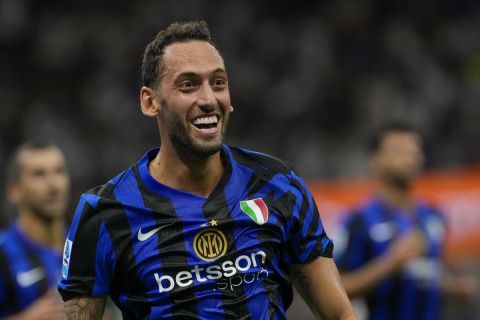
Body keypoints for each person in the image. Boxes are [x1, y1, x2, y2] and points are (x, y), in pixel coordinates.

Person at [58, 20, 356, 319]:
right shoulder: (105, 214)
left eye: (218, 83)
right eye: (188, 85)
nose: (208, 99)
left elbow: (340, 314)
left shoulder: (278, 185)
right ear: (150, 102)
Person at [334, 122, 472, 320]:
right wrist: (390, 264)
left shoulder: (434, 215)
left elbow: (427, 275)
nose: (411, 157)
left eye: (415, 150)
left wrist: (450, 289)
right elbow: (338, 288)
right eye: (399, 150)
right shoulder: (358, 221)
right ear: (375, 160)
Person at [0, 141, 69, 319]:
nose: (53, 185)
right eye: (39, 174)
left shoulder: (88, 246)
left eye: (59, 172)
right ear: (14, 190)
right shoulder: (3, 254)